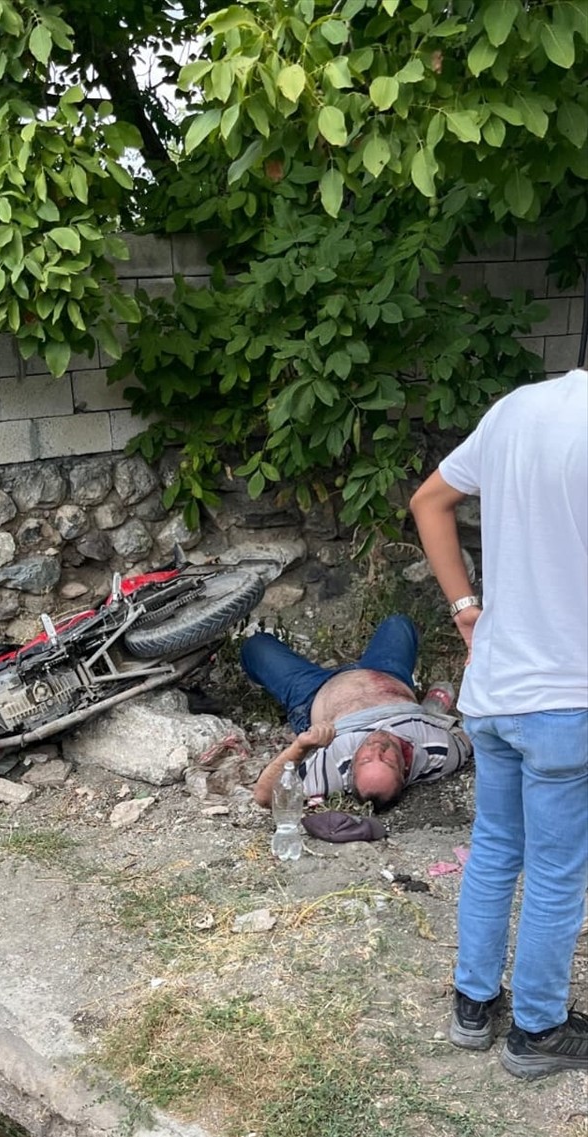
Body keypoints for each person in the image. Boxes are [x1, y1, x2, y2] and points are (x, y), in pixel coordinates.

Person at [410, 365, 588, 1080]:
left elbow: (430, 500)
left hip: (496, 692)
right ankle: (539, 1032)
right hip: (567, 698)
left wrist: (464, 606)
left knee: (494, 849)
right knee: (555, 871)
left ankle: (473, 1006)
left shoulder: (518, 408)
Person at [242, 614, 472, 811]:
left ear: (352, 769)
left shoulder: (333, 771)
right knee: (398, 623)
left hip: (314, 692)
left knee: (255, 646)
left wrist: (301, 746)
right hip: (386, 674)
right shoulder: (438, 752)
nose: (377, 749)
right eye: (387, 761)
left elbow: (264, 795)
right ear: (404, 771)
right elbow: (475, 736)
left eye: (365, 760)